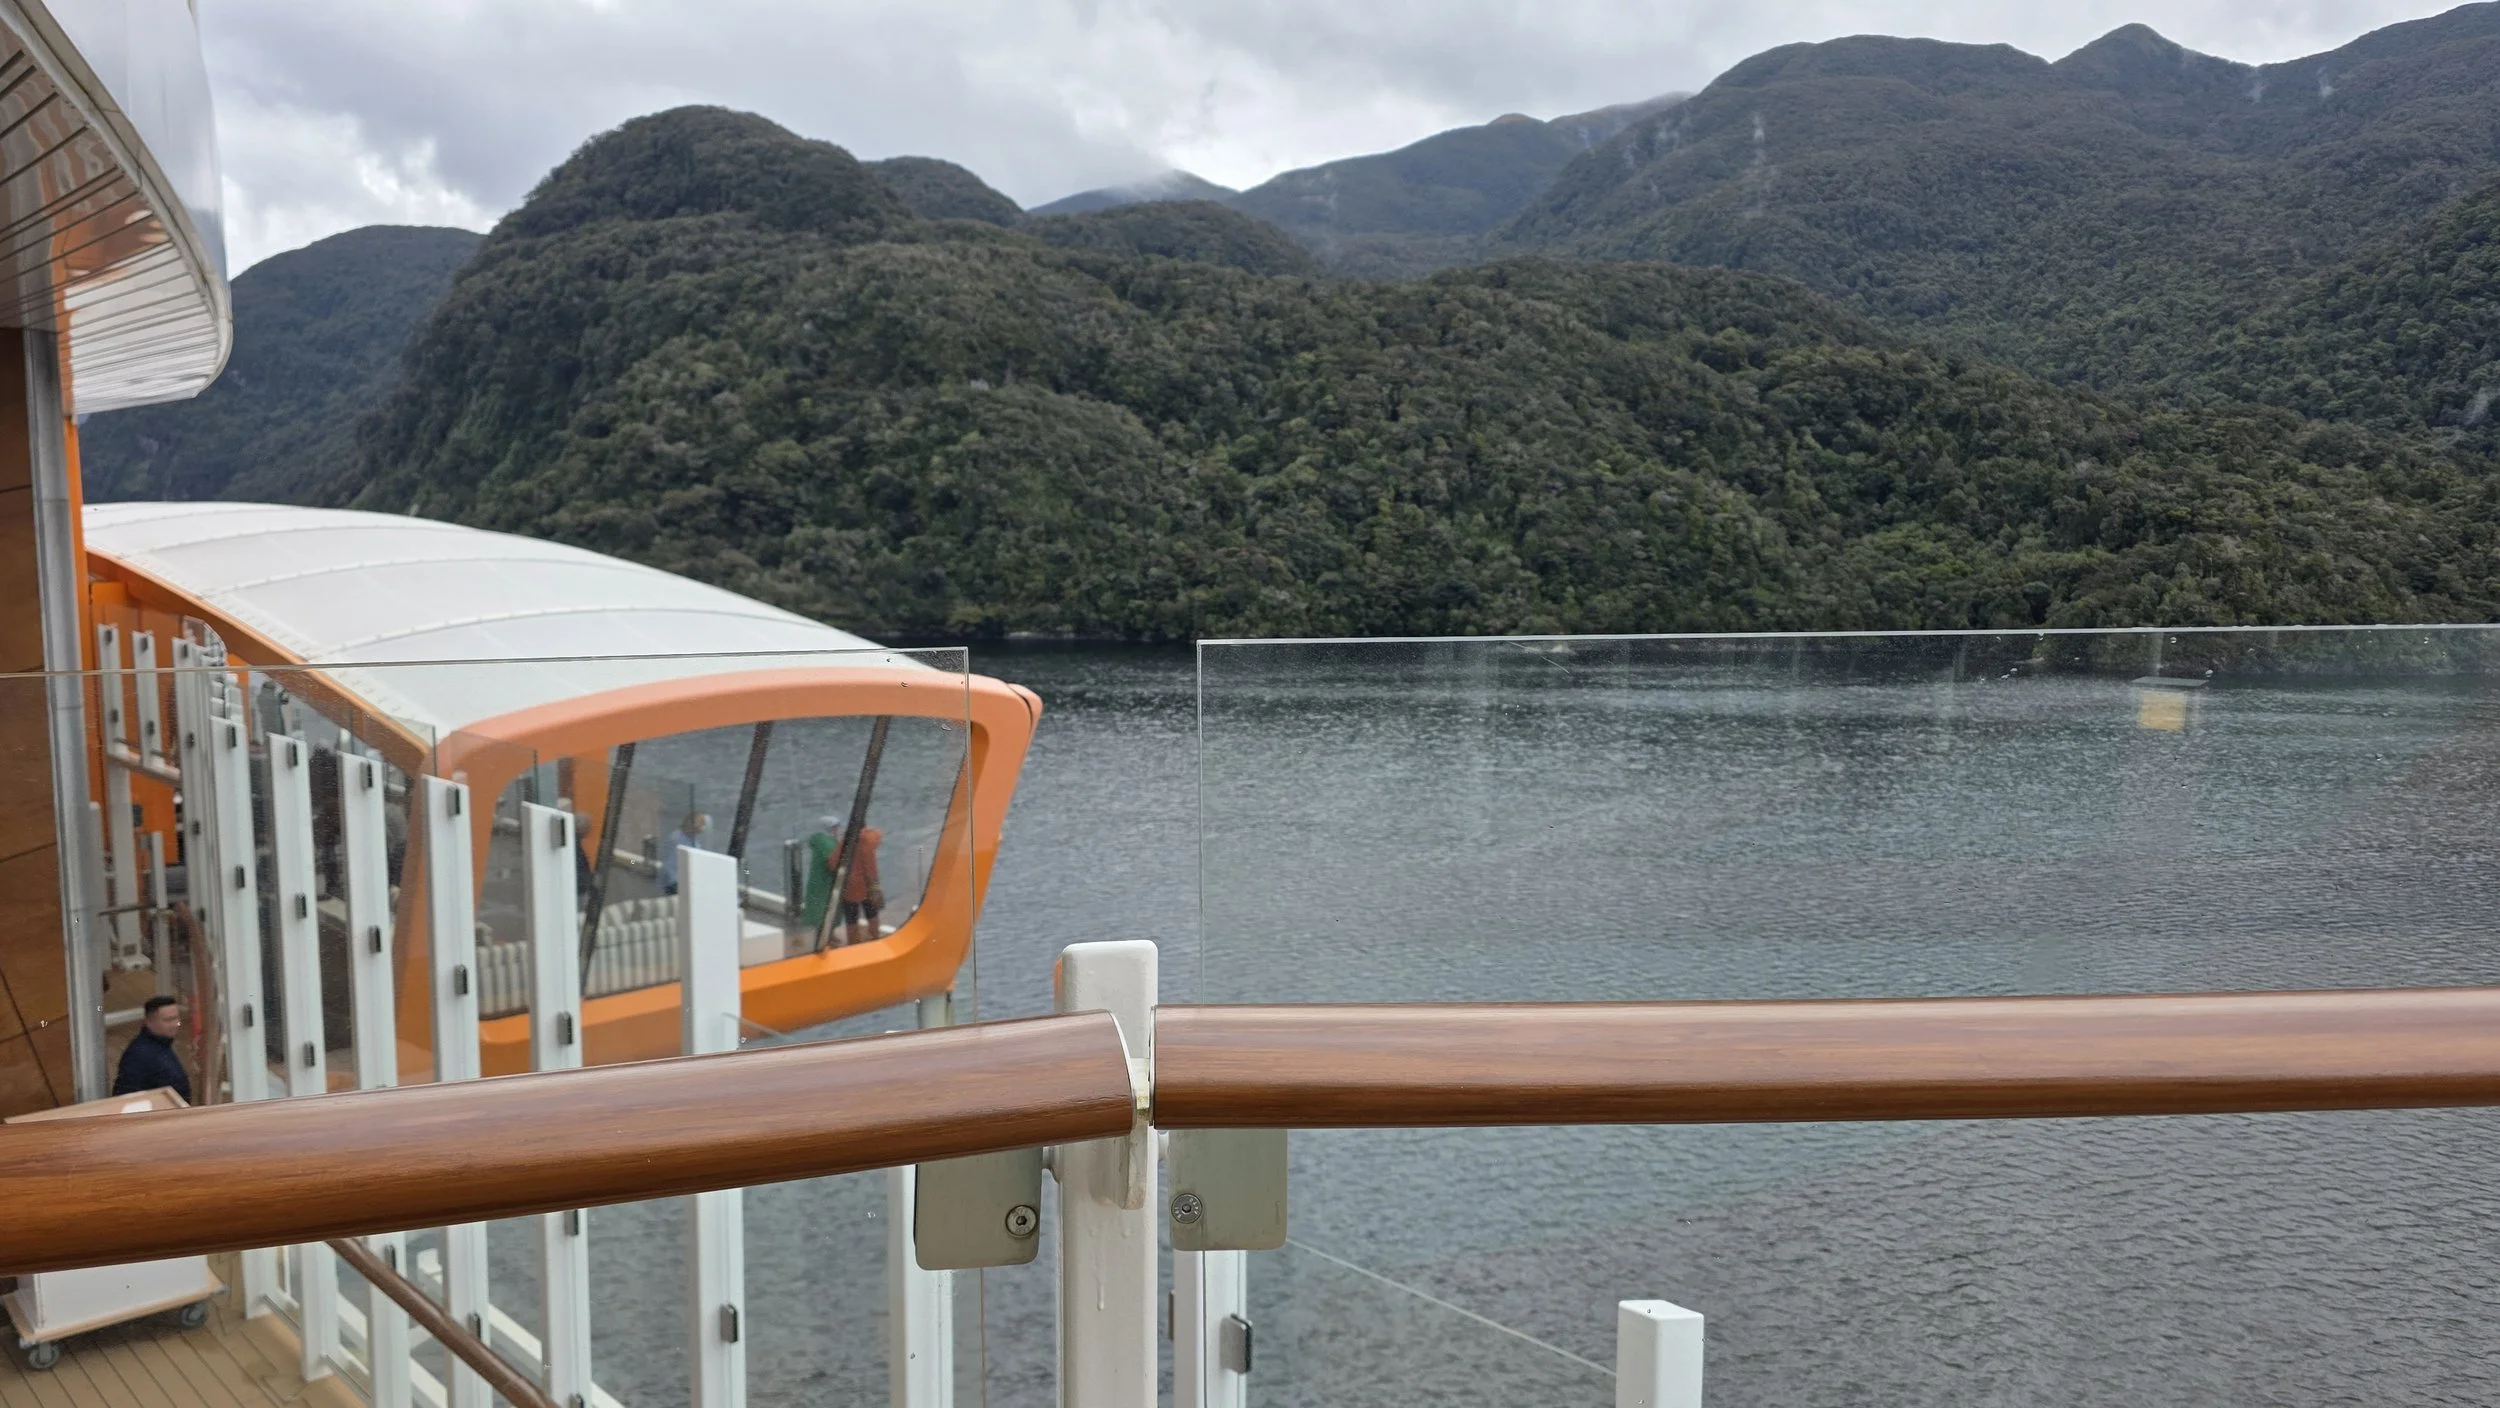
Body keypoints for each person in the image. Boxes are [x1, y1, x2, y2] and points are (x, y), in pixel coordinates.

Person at [112, 995, 191, 1102]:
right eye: (168, 1020)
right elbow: (125, 1096)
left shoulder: (162, 1043)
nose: (176, 1024)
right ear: (149, 1022)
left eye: (177, 1018)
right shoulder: (138, 1056)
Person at [837, 825, 884, 946]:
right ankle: (875, 938)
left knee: (851, 919)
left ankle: (853, 944)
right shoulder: (870, 839)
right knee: (872, 914)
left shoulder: (845, 842)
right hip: (868, 886)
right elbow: (879, 835)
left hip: (850, 887)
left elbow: (833, 862)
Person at [801, 815, 842, 937]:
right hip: (825, 882)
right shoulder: (827, 843)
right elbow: (832, 862)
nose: (837, 830)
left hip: (818, 881)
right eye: (835, 827)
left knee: (821, 908)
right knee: (826, 909)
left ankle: (826, 934)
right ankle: (826, 936)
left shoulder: (820, 840)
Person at [660, 811, 710, 896]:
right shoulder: (676, 839)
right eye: (701, 824)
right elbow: (669, 867)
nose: (702, 828)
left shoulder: (693, 841)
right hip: (675, 886)